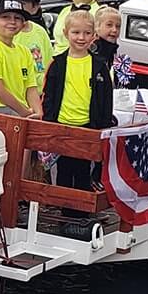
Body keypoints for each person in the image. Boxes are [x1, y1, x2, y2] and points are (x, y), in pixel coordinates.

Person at [42, 11, 115, 191]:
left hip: (88, 127)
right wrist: (49, 124)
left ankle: (81, 208)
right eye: (76, 32)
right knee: (63, 172)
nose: (81, 38)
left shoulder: (99, 66)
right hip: (62, 126)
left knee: (83, 171)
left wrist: (104, 127)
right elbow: (48, 96)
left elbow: (106, 99)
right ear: (66, 33)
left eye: (87, 33)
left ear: (94, 35)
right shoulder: (57, 64)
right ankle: (62, 206)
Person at [0, 0, 41, 115]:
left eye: (18, 18)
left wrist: (39, 114)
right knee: (17, 120)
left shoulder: (24, 52)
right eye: (5, 17)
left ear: (23, 24)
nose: (12, 21)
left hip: (18, 109)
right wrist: (25, 113)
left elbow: (31, 88)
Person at [9, 0, 54, 73]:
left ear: (35, 7)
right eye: (10, 3)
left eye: (21, 4)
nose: (14, 8)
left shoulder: (40, 32)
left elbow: (49, 66)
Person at [91, 5, 122, 74]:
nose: (114, 30)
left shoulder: (114, 51)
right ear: (97, 27)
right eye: (109, 25)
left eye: (118, 26)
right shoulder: (92, 52)